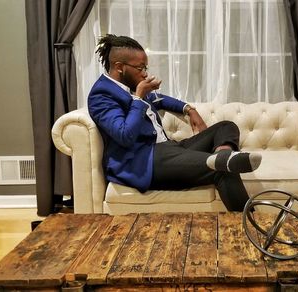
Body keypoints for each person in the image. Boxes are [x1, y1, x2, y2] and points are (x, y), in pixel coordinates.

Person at [87, 34, 261, 211]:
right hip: (145, 161)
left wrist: (189, 109)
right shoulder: (102, 95)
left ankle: (223, 154)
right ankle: (249, 229)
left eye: (145, 67)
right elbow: (125, 135)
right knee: (222, 169)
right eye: (140, 68)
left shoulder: (129, 85)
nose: (145, 73)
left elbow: (159, 99)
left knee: (226, 126)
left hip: (169, 149)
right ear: (119, 67)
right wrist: (138, 97)